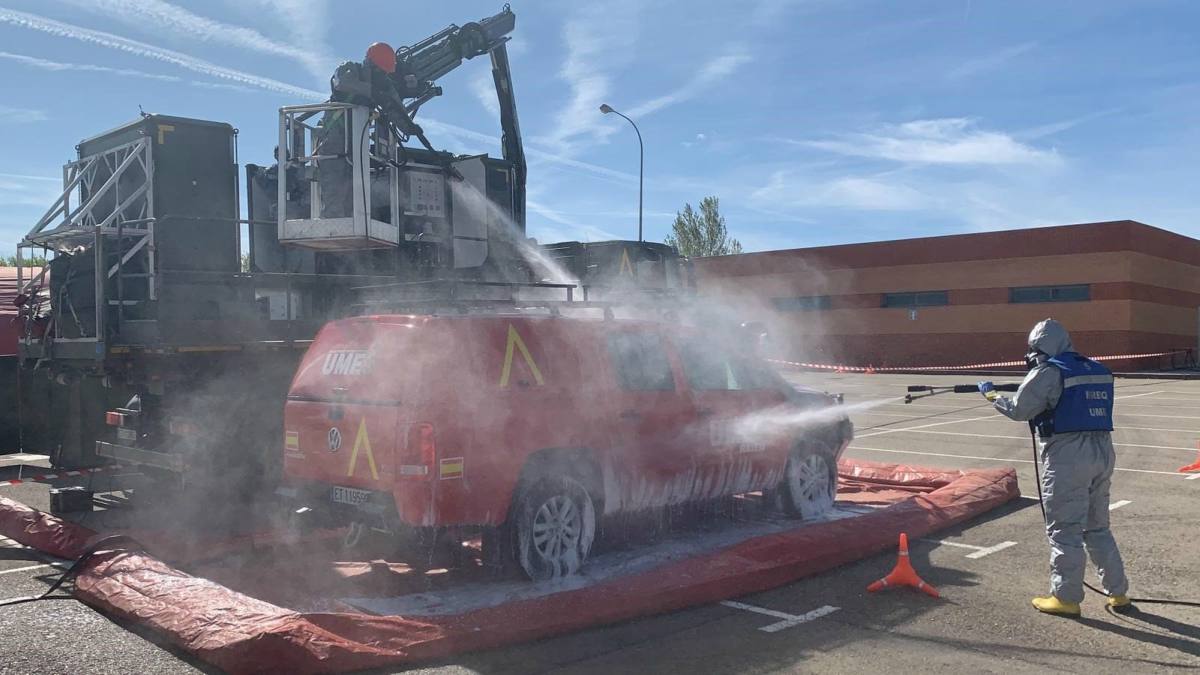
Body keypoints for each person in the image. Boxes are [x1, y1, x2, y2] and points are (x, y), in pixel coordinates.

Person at [978, 318, 1130, 617]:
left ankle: (1066, 598)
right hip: (1102, 450)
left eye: (1034, 348)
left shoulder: (1048, 371)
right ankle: (1119, 593)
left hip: (1067, 454)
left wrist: (992, 395)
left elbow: (1021, 409)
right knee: (1098, 527)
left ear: (1041, 346)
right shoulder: (1097, 370)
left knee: (1065, 529)